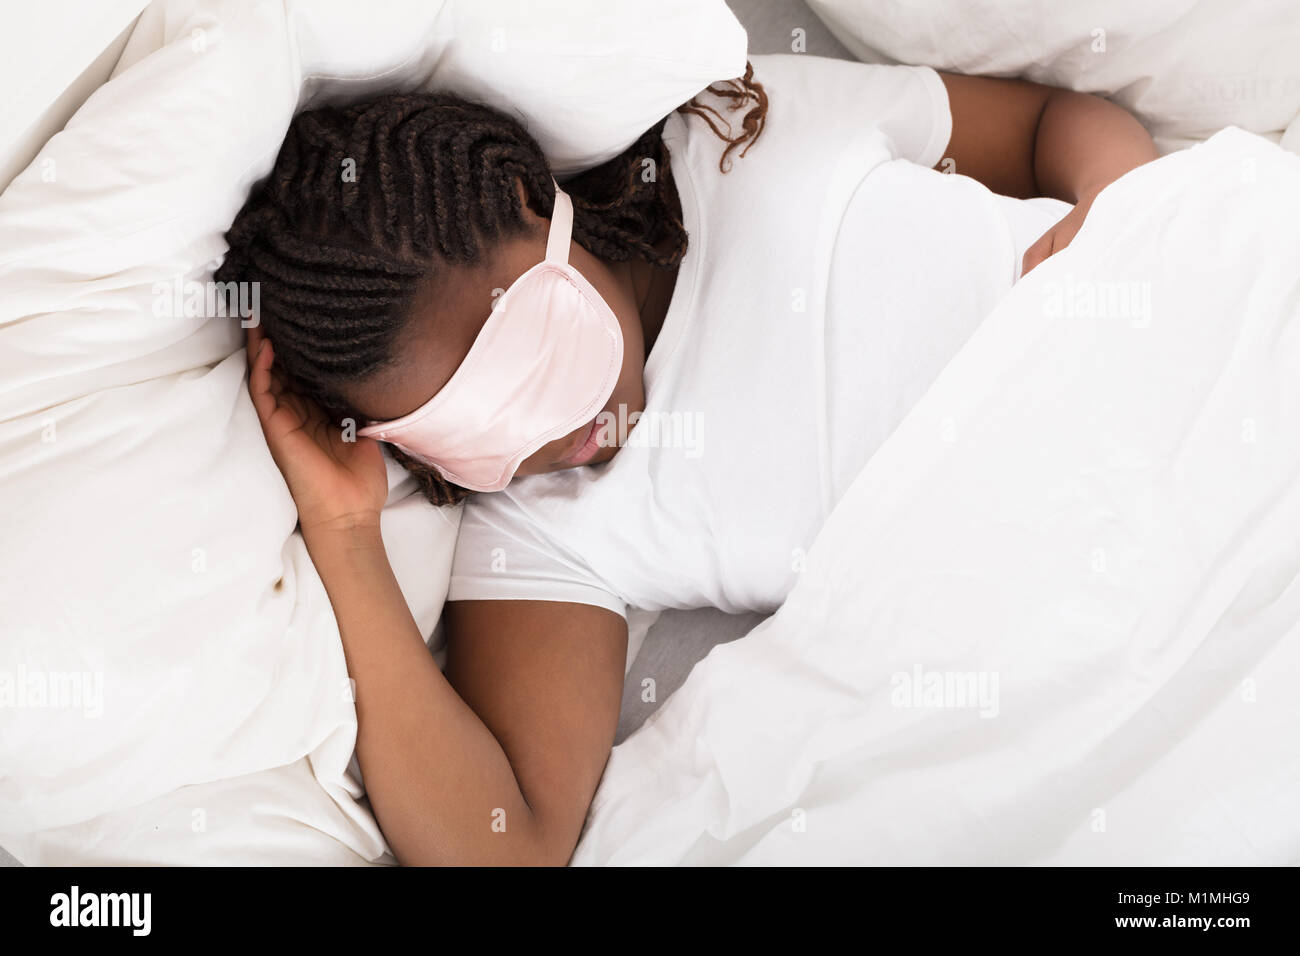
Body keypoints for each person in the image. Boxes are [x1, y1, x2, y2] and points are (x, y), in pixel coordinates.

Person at [216, 53, 1159, 864]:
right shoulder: (540, 523)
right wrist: (346, 540)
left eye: (529, 352)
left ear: (532, 200)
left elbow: (1051, 123)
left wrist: (1126, 222)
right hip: (1087, 567)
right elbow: (509, 844)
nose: (552, 430)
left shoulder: (738, 130)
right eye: (474, 429)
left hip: (1165, 334)